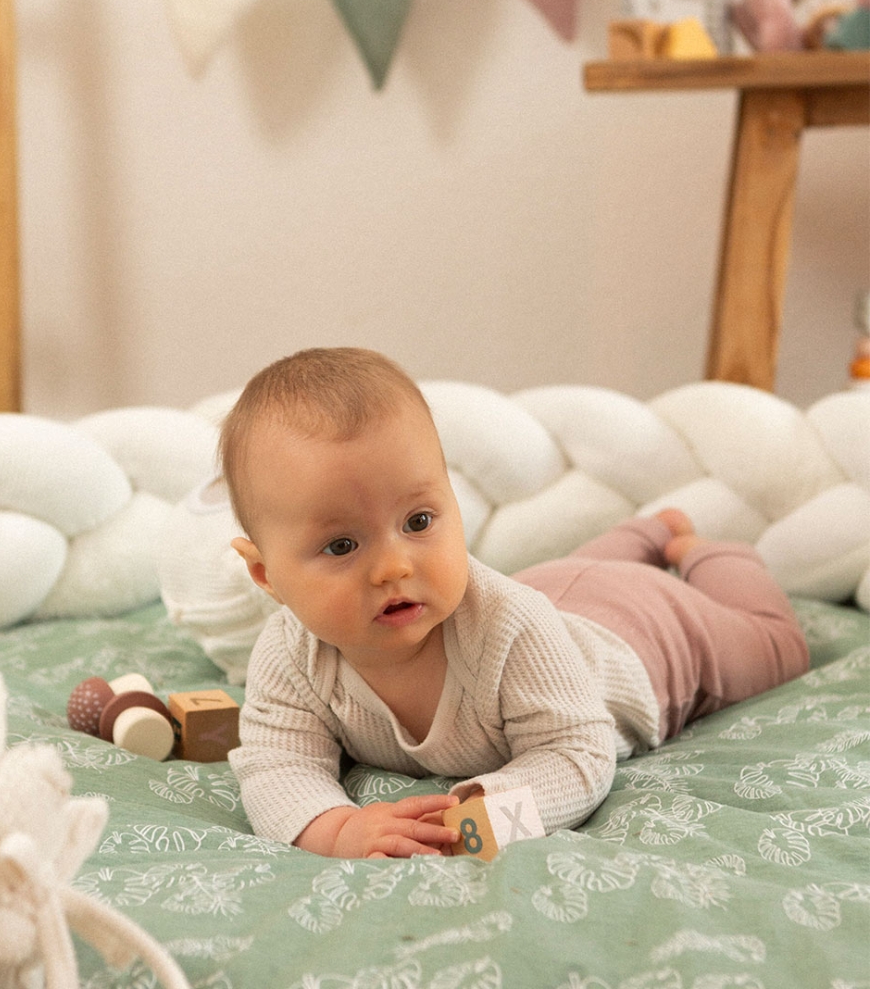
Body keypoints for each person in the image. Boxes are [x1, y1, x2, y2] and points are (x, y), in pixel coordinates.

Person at [221, 348, 809, 859]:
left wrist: (491, 813)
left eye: (419, 521)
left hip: (648, 636)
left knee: (776, 647)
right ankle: (645, 533)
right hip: (555, 587)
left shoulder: (511, 625)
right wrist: (339, 829)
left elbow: (578, 755)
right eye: (342, 545)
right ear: (266, 574)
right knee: (577, 573)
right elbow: (278, 765)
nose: (395, 566)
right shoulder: (292, 653)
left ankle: (704, 549)